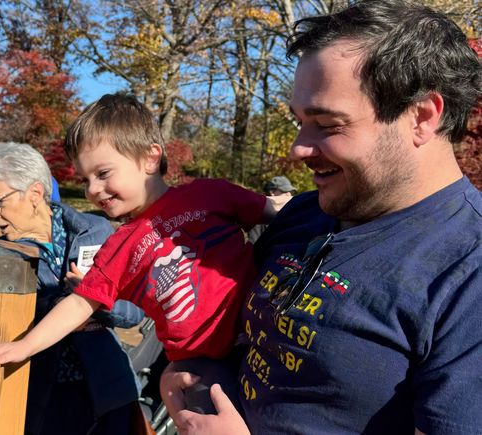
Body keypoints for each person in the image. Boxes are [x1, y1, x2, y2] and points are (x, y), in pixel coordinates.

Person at [160, 0, 482, 433]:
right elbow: (244, 336)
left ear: (421, 117)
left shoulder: (468, 270)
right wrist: (186, 374)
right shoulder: (305, 213)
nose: (298, 148)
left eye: (327, 125)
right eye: (298, 122)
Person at [0, 93, 283, 414]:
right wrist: (23, 346)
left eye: (102, 174)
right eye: (85, 180)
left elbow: (279, 213)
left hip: (264, 335)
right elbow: (79, 303)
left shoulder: (209, 194)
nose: (92, 190)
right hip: (200, 366)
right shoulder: (121, 245)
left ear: (150, 158)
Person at [0, 142, 144, 435]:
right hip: (46, 398)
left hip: (110, 387)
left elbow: (134, 311)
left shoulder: (95, 231)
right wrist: (67, 305)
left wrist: (99, 303)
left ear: (35, 194)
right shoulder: (1, 256)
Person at [248, 176, 297, 243]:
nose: (289, 194)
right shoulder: (259, 219)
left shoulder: (292, 215)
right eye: (284, 191)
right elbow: (254, 247)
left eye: (290, 191)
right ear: (272, 192)